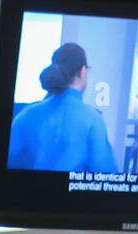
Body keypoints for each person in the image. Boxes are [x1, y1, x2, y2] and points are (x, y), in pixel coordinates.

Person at [8, 42, 118, 173]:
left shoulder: (25, 115)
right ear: (83, 71)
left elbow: (7, 164)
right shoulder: (93, 120)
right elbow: (105, 176)